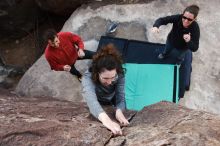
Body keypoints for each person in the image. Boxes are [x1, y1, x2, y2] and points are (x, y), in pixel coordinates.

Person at [81, 43, 129, 136]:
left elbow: (120, 96)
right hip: (99, 100)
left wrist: (119, 110)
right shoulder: (88, 78)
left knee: (121, 111)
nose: (110, 82)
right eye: (105, 78)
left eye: (113, 77)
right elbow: (91, 99)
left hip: (112, 98)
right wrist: (106, 120)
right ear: (97, 73)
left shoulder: (119, 74)